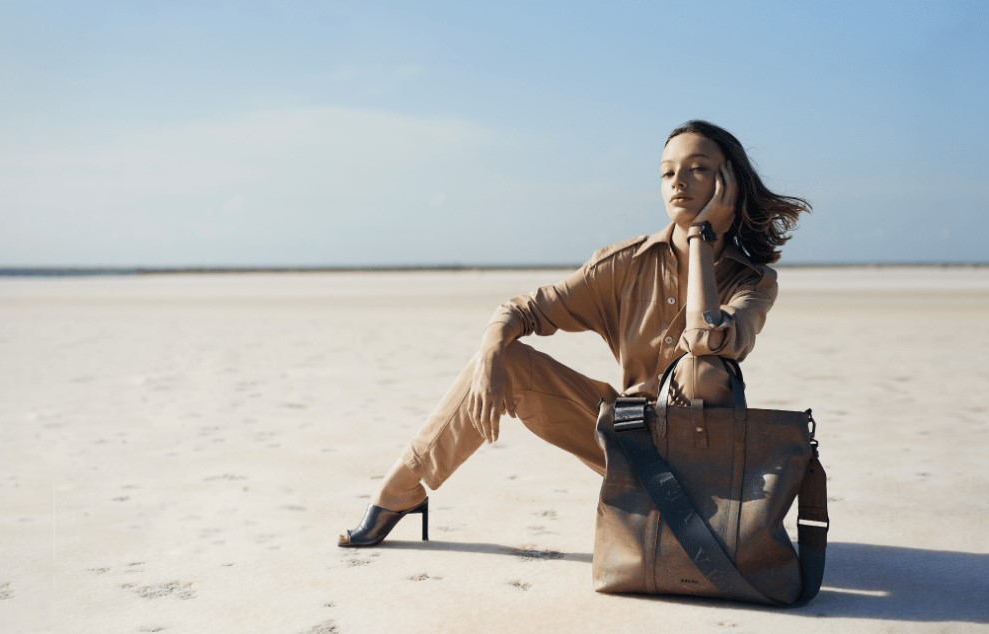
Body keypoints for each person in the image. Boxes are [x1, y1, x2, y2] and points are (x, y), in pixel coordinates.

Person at [337, 119, 811, 547]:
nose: (679, 183)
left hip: (707, 471)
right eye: (667, 173)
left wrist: (702, 240)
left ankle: (686, 513)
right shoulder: (623, 264)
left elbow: (708, 339)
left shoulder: (753, 282)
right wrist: (489, 355)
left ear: (728, 184)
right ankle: (398, 492)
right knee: (509, 357)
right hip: (631, 446)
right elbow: (522, 310)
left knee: (699, 366)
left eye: (698, 169)